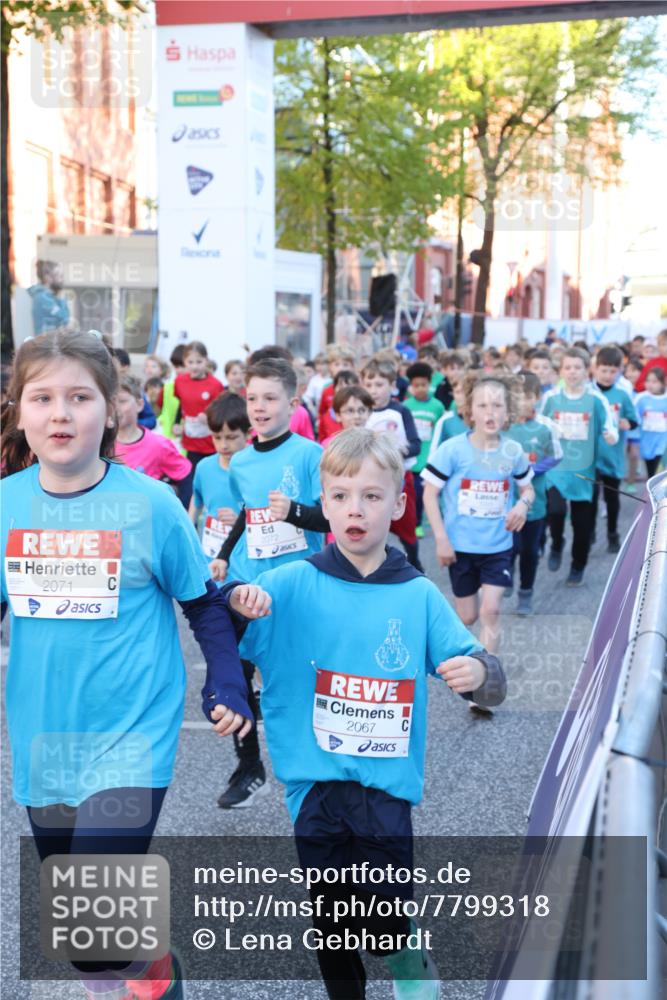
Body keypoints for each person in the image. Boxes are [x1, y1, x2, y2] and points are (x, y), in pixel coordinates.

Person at [0, 330, 253, 1000]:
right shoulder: (5, 506)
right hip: (43, 740)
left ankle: (146, 970)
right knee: (92, 938)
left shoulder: (150, 506)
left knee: (90, 932)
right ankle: (144, 965)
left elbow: (203, 605)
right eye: (44, 397)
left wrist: (225, 684)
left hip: (131, 737)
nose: (61, 413)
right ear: (19, 411)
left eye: (79, 397)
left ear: (110, 411)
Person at [224, 429, 507, 1000]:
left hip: (385, 788)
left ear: (399, 505)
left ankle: (407, 959)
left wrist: (478, 675)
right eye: (342, 496)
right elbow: (222, 643)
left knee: (380, 923)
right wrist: (234, 606)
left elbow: (490, 676)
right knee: (332, 927)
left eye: (372, 496)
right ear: (321, 504)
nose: (356, 509)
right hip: (311, 786)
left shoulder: (418, 595)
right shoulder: (283, 586)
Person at [209, 357, 325, 806]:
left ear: (292, 403)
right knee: (236, 670)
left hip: (296, 586)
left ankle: (311, 769)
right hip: (247, 581)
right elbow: (247, 514)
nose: (259, 407)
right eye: (252, 398)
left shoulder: (310, 455)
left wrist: (294, 511)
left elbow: (329, 517)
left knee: (294, 681)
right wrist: (222, 556)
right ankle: (249, 765)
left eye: (270, 398)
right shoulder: (239, 462)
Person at [187, 392, 267, 809]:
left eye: (232, 437)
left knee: (273, 673)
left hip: (256, 581)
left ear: (246, 435)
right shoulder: (203, 467)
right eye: (217, 436)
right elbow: (195, 508)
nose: (224, 444)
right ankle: (250, 766)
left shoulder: (253, 469)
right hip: (218, 583)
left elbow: (259, 516)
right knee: (234, 673)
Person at [422, 372, 535, 653]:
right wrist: (441, 540)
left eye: (497, 405)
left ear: (509, 411)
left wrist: (523, 504)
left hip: (498, 546)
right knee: (468, 616)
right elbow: (429, 493)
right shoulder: (452, 450)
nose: (490, 412)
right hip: (460, 547)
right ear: (469, 410)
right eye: (483, 405)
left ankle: (486, 681)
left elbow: (528, 489)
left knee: (491, 611)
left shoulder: (513, 451)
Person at [541, 347, 617, 586]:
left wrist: (610, 434)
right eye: (567, 367)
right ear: (560, 371)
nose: (572, 372)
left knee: (582, 525)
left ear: (587, 370)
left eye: (577, 367)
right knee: (554, 511)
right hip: (557, 469)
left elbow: (610, 424)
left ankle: (577, 565)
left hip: (584, 473)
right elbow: (540, 424)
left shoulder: (596, 399)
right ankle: (556, 541)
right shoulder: (551, 398)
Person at [506, 372, 562, 615]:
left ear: (538, 398)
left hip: (534, 502)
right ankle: (506, 574)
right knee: (510, 547)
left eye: (528, 397)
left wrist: (533, 470)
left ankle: (525, 593)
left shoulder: (546, 426)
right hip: (506, 502)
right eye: (517, 397)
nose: (523, 402)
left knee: (529, 551)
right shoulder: (503, 425)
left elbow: (556, 455)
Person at [362, 358, 423, 571]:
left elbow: (416, 445)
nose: (374, 390)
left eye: (379, 385)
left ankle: (415, 564)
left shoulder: (400, 411)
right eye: (369, 385)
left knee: (407, 529)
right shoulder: (363, 413)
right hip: (370, 480)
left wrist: (393, 450)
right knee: (372, 528)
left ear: (392, 385)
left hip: (400, 479)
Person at [591, 346, 638, 552]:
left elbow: (633, 420)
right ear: (595, 368)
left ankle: (612, 533)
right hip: (589, 457)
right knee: (590, 499)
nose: (608, 375)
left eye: (613, 371)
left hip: (613, 456)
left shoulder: (622, 395)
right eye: (604, 370)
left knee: (611, 498)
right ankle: (589, 530)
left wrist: (628, 423)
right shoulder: (587, 393)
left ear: (620, 370)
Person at [113, 374, 192, 491]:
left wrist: (178, 506)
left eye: (122, 401)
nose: (115, 408)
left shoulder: (158, 445)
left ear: (139, 405)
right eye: (111, 402)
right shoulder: (97, 444)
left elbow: (186, 477)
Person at [174, 341, 224, 506]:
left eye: (199, 362)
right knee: (191, 486)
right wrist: (177, 422)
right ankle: (191, 519)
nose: (194, 367)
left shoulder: (215, 385)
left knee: (213, 483)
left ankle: (213, 515)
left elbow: (222, 413)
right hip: (191, 443)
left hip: (212, 444)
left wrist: (209, 416)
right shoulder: (180, 381)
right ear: (184, 362)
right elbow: (181, 403)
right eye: (190, 362)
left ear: (206, 361)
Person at [403, 362, 445, 538]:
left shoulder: (437, 406)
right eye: (416, 385)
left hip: (427, 458)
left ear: (429, 384)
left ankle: (418, 523)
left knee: (421, 494)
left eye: (424, 385)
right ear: (411, 387)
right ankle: (407, 521)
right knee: (408, 494)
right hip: (409, 459)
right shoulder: (406, 406)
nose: (420, 389)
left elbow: (441, 431)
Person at [635, 366, 667, 479]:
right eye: (647, 381)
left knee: (660, 475)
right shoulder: (640, 398)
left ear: (663, 382)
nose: (650, 384)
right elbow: (634, 419)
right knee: (652, 475)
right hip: (647, 443)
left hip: (663, 445)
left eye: (654, 381)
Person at [28, 261, 70, 335]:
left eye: (62, 276)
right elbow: (65, 319)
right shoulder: (43, 298)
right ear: (47, 278)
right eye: (59, 276)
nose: (62, 280)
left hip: (48, 343)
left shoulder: (50, 297)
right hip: (45, 344)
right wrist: (62, 298)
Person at [623, 355, 644, 490]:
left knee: (634, 454)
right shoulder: (622, 388)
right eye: (629, 370)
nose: (632, 373)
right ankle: (627, 472)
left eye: (635, 370)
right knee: (624, 453)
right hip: (623, 427)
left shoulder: (644, 390)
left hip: (637, 428)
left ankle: (631, 482)